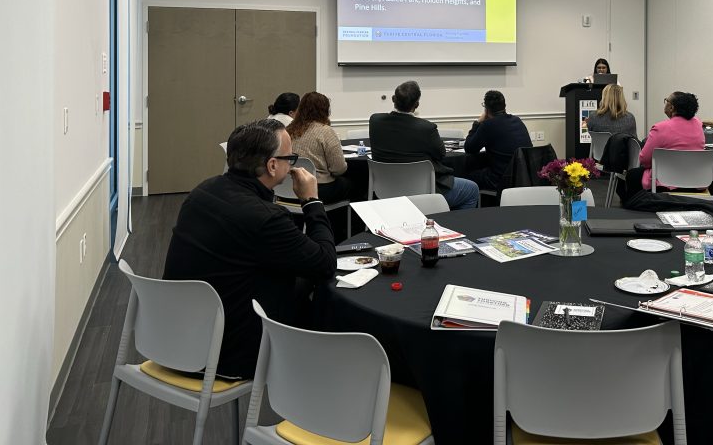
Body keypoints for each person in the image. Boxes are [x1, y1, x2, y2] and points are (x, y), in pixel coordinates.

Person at [162, 119, 335, 379]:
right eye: (291, 157)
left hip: (174, 336)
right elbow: (324, 262)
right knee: (320, 284)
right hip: (225, 354)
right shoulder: (265, 217)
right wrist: (312, 201)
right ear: (272, 165)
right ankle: (315, 376)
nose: (292, 166)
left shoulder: (203, 191)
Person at [369, 81, 480, 210]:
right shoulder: (426, 128)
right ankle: (449, 227)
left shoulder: (375, 121)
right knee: (472, 190)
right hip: (424, 193)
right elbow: (441, 154)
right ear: (416, 105)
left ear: (393, 99)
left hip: (385, 192)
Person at [621, 91, 704, 198]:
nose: (665, 103)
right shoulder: (698, 124)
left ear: (672, 108)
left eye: (666, 101)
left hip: (666, 182)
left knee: (632, 175)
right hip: (695, 181)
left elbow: (644, 160)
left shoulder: (660, 128)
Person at [288, 92, 363, 207]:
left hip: (289, 187)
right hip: (317, 190)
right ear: (325, 110)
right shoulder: (325, 131)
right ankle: (350, 224)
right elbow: (339, 169)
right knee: (358, 184)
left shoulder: (288, 130)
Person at [463, 90, 533, 193]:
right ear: (504, 106)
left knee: (465, 175)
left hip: (500, 180)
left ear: (486, 109)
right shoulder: (517, 120)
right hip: (523, 177)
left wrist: (477, 123)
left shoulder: (488, 125)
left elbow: (469, 148)